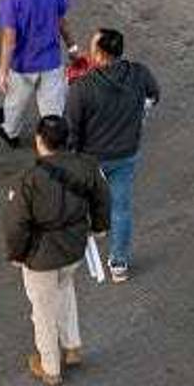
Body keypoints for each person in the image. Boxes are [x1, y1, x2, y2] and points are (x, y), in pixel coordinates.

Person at [3, 115, 110, 386]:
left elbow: (16, 224)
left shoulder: (28, 180)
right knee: (65, 290)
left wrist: (16, 254)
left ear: (39, 141)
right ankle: (72, 346)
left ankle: (50, 366)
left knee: (42, 310)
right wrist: (98, 228)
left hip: (40, 256)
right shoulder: (87, 166)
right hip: (74, 247)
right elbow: (102, 198)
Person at [64, 28, 159, 283]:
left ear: (99, 53)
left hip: (92, 158)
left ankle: (92, 232)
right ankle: (119, 263)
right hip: (126, 153)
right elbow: (154, 95)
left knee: (86, 199)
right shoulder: (139, 73)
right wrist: (139, 115)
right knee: (122, 208)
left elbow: (71, 128)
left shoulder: (82, 88)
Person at [0, 0, 76, 149]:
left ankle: (10, 132)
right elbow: (61, 21)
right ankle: (54, 143)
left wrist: (3, 71)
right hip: (51, 62)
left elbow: (9, 40)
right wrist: (72, 47)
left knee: (15, 104)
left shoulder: (12, 0)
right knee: (53, 108)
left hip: (22, 65)